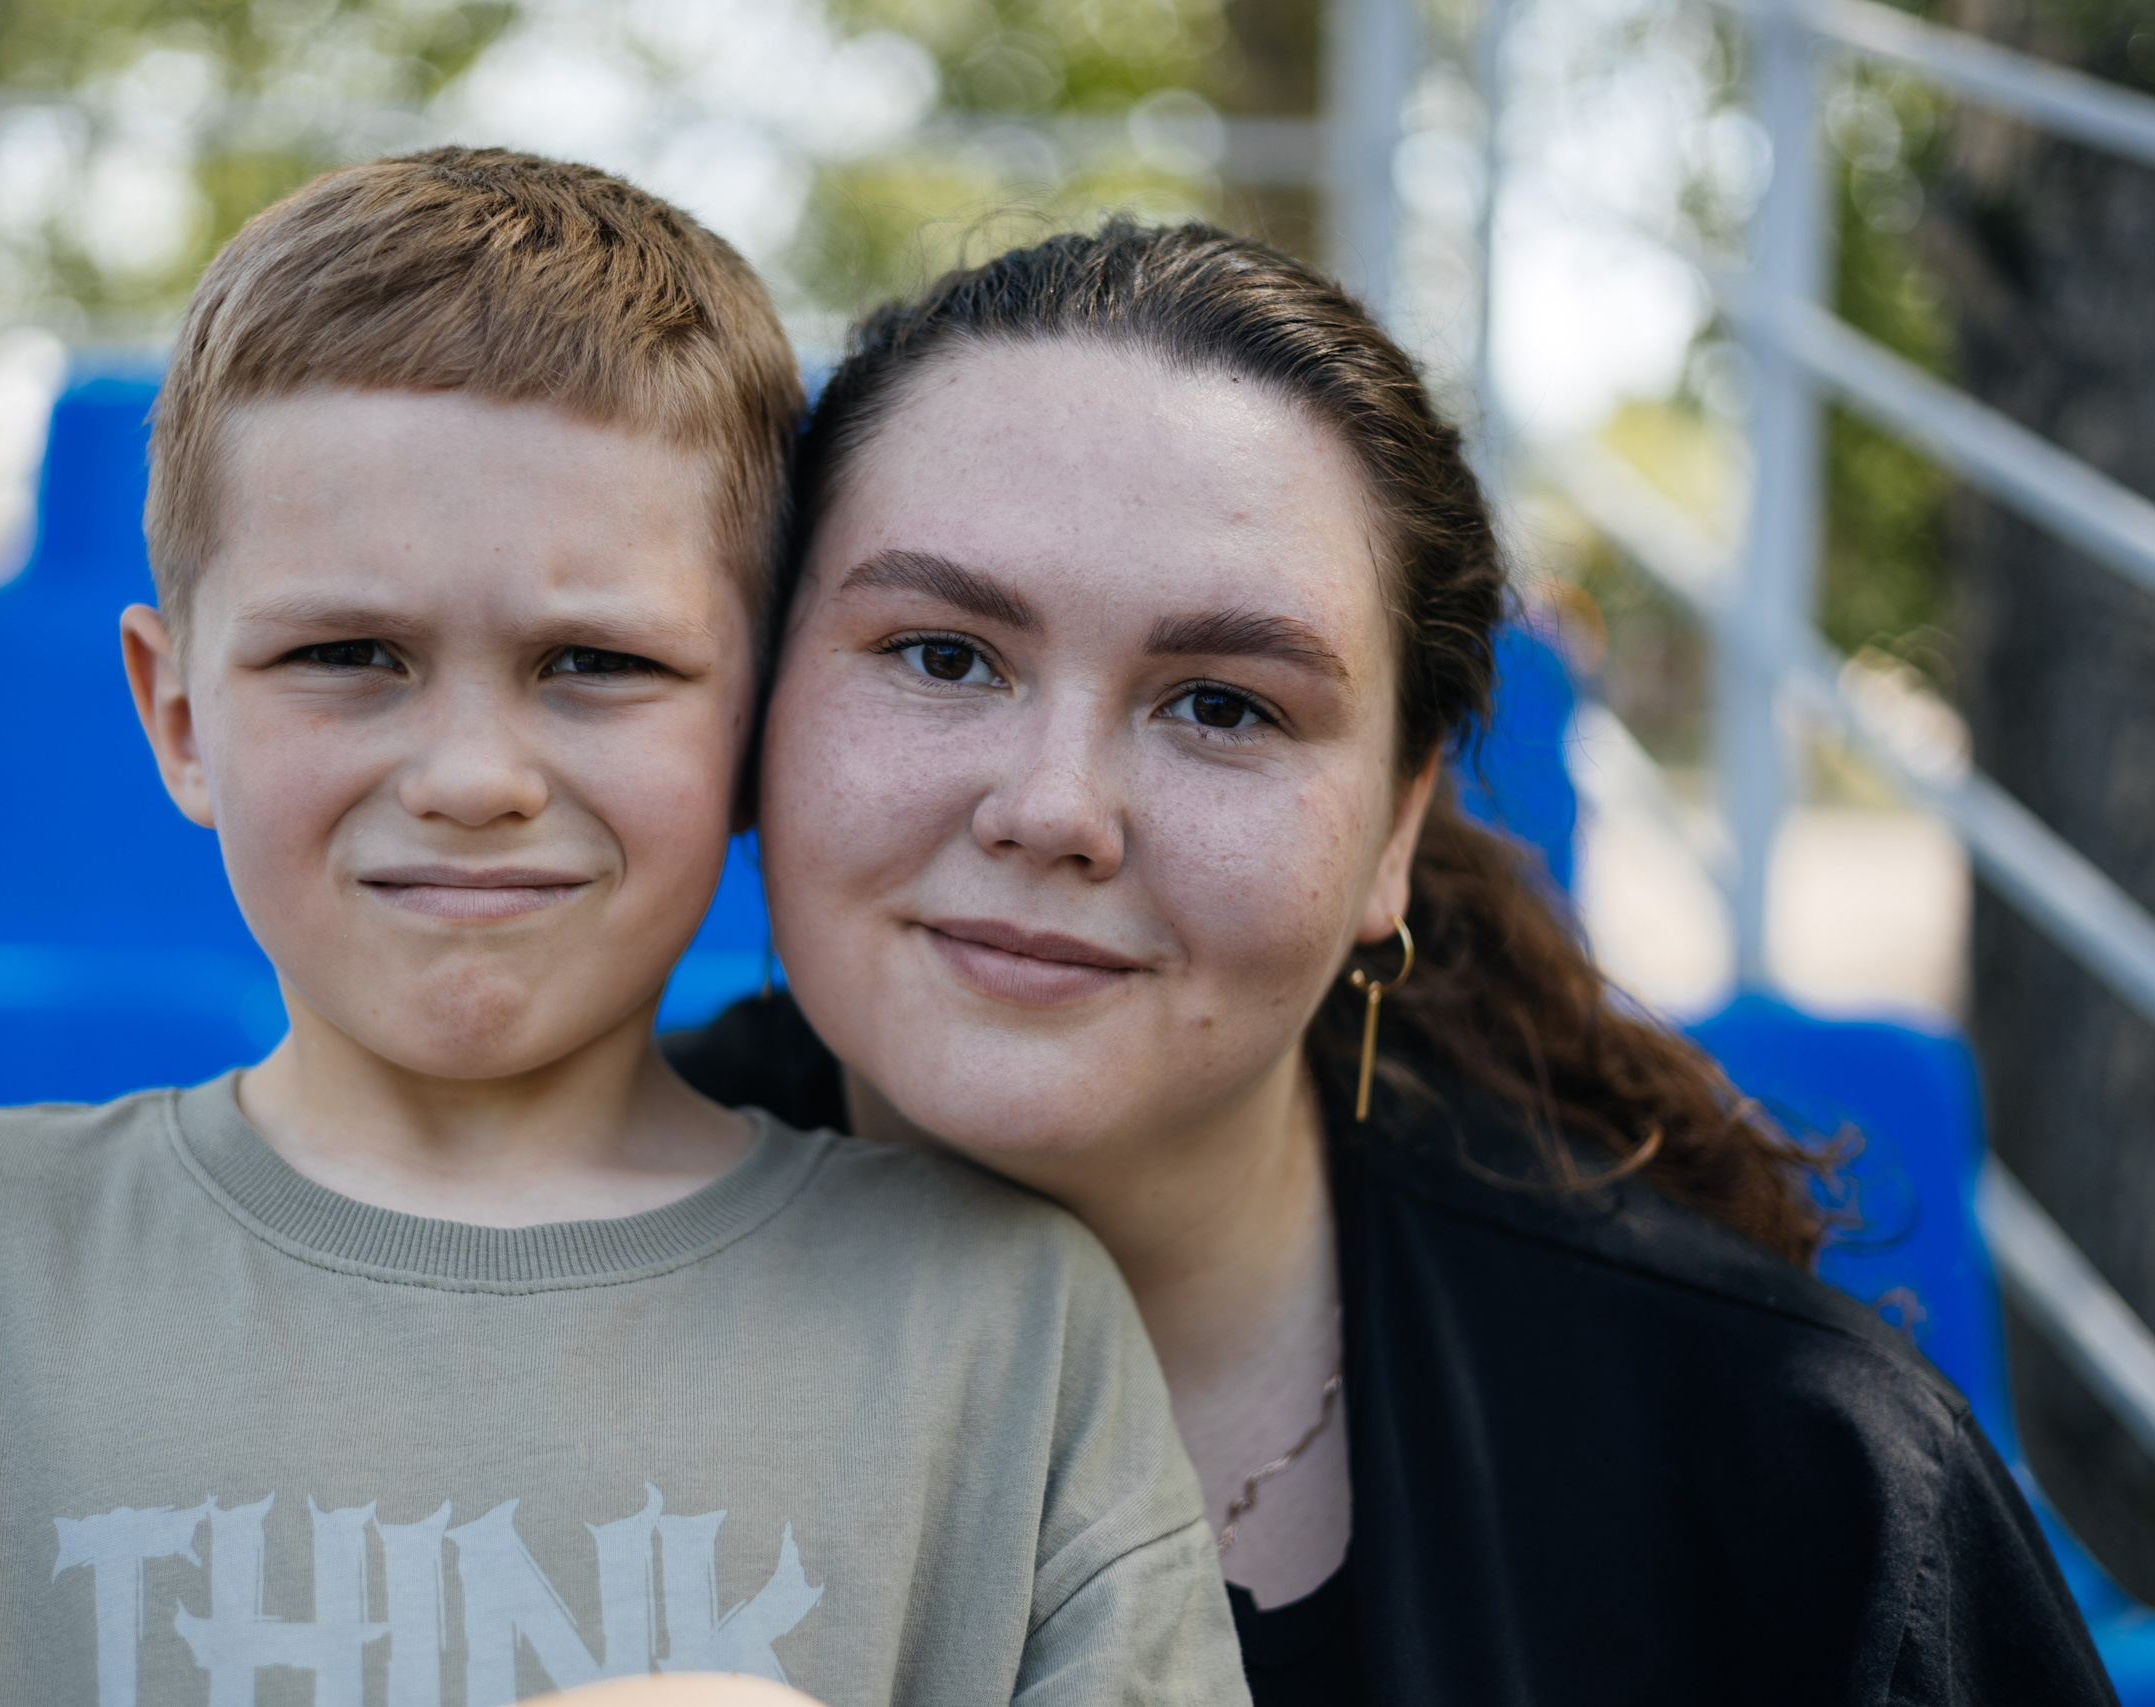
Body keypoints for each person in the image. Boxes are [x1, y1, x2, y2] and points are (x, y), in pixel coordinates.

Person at [0, 160, 1246, 1707]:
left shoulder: (1005, 1325)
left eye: (597, 665)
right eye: (348, 655)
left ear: (760, 724)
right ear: (179, 717)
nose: (470, 779)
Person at [670, 218, 2121, 1705]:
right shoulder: (497, 1267)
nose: (1052, 809)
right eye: (942, 654)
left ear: (1395, 828)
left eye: (1223, 705)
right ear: (764, 703)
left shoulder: (1798, 1490)